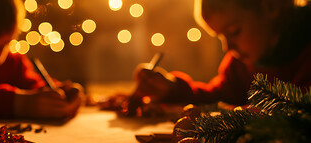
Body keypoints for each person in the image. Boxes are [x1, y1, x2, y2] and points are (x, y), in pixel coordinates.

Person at [132, 0, 311, 107]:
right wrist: (172, 89)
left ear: (271, 6)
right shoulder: (240, 64)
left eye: (234, 31)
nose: (227, 47)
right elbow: (216, 98)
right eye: (220, 36)